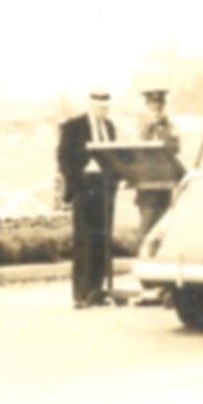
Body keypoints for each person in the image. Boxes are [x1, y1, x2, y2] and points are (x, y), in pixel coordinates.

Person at [56, 89, 118, 308]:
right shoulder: (74, 127)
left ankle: (97, 290)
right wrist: (77, 180)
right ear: (91, 106)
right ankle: (81, 293)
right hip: (85, 189)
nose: (104, 111)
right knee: (85, 241)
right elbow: (63, 157)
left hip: (104, 190)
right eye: (100, 108)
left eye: (107, 107)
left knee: (102, 241)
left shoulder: (109, 128)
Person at [132, 88, 181, 241]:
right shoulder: (140, 127)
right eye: (153, 109)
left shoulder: (169, 127)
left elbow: (175, 147)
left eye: (159, 108)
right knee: (146, 226)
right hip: (146, 186)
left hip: (164, 185)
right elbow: (136, 150)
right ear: (147, 108)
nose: (157, 112)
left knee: (162, 227)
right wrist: (147, 129)